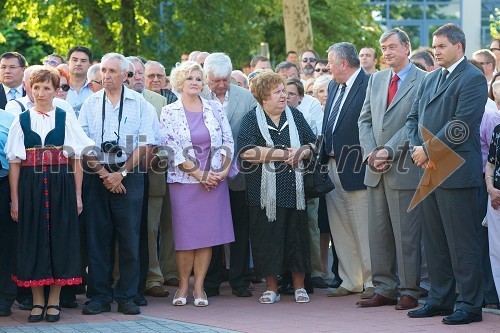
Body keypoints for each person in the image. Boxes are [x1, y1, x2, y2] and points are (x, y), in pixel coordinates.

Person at [406, 23, 487, 325]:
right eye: (434, 46)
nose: (435, 51)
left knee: (462, 243)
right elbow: (413, 117)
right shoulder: (429, 80)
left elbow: (461, 125)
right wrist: (416, 148)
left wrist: (426, 150)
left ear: (459, 47)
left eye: (441, 46)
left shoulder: (473, 79)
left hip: (456, 173)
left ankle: (469, 305)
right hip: (428, 170)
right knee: (435, 241)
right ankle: (440, 299)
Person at [5, 67, 94, 322]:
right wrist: (15, 199)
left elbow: (76, 158)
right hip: (30, 187)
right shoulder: (21, 120)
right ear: (29, 90)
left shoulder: (66, 117)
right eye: (36, 88)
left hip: (61, 186)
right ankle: (37, 301)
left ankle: (54, 300)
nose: (41, 93)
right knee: (32, 239)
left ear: (56, 91)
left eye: (47, 88)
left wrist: (77, 196)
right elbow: (13, 162)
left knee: (61, 238)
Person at [79, 52, 159, 316]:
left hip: (130, 175)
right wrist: (104, 174)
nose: (106, 76)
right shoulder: (91, 103)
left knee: (130, 238)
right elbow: (83, 146)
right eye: (103, 70)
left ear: (126, 75)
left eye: (112, 71)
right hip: (97, 175)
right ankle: (99, 295)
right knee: (97, 238)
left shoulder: (140, 104)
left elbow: (145, 145)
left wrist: (121, 174)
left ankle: (128, 295)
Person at [357, 28, 426, 310]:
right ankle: (384, 287)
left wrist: (388, 150)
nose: (387, 52)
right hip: (376, 169)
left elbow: (418, 122)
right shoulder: (375, 80)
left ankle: (411, 289)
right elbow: (364, 121)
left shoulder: (424, 80)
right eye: (383, 48)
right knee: (378, 233)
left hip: (406, 168)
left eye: (392, 47)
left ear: (407, 48)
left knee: (407, 235)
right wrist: (372, 153)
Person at [158, 61, 235, 307]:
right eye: (190, 78)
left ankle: (199, 288)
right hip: (185, 182)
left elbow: (227, 141)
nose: (195, 82)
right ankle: (183, 287)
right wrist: (201, 174)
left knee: (206, 237)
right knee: (186, 238)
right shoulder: (169, 111)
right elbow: (171, 150)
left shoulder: (215, 108)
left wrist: (220, 172)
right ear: (180, 82)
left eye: (199, 79)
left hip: (214, 183)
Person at [237, 71, 315, 304]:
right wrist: (283, 154)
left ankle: (299, 287)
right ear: (263, 97)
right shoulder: (251, 119)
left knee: (297, 239)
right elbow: (247, 152)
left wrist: (302, 151)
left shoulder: (296, 116)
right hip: (263, 194)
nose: (283, 96)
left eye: (284, 91)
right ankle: (272, 288)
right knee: (267, 240)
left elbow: (312, 144)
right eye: (278, 92)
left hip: (294, 190)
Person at [202, 53, 257, 299]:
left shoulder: (247, 98)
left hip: (240, 175)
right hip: (207, 176)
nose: (222, 85)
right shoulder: (196, 97)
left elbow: (256, 132)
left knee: (240, 229)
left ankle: (240, 280)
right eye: (216, 81)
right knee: (211, 229)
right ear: (206, 78)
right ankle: (211, 281)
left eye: (226, 80)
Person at [321, 42, 373, 299]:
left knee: (364, 227)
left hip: (357, 166)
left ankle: (373, 282)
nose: (326, 66)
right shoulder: (333, 86)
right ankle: (350, 280)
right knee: (339, 228)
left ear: (343, 63)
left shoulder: (370, 84)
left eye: (330, 61)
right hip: (331, 165)